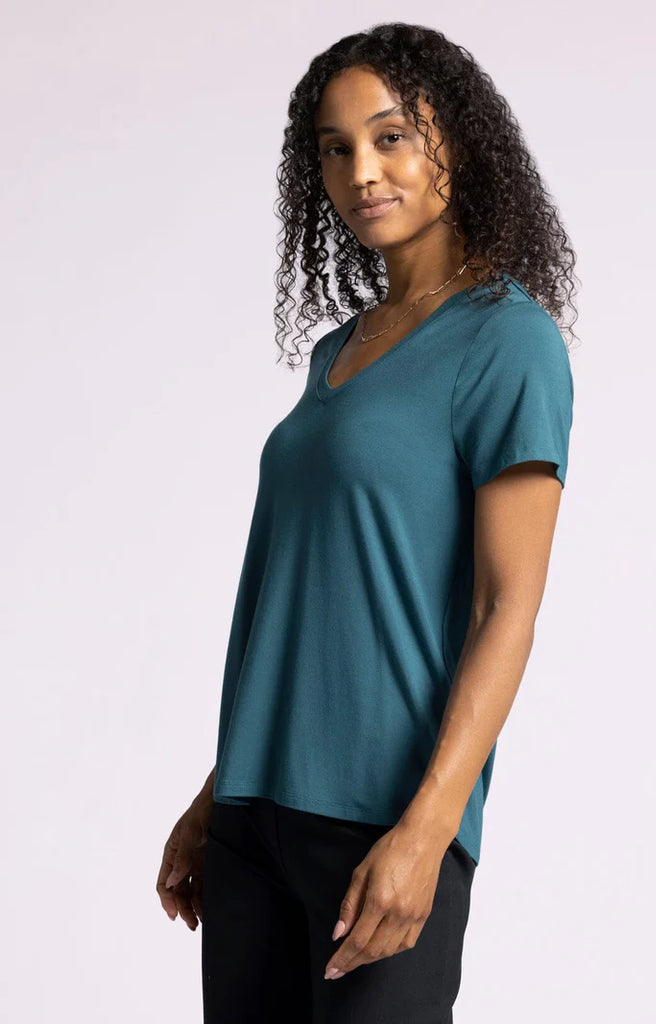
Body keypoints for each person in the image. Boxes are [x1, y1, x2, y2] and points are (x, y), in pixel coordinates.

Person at [156, 21, 577, 1023]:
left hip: (383, 825)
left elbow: (506, 610)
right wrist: (219, 790)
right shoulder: (336, 353)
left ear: (455, 143)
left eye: (392, 137)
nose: (362, 171)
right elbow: (311, 603)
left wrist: (429, 829)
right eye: (336, 149)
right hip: (255, 819)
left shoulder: (508, 340)